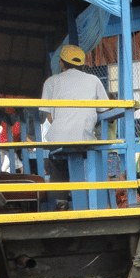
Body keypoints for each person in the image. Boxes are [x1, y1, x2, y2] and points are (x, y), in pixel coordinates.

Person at [40, 44, 108, 191]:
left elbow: (49, 117)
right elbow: (104, 111)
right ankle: (93, 195)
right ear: (82, 63)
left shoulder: (50, 82)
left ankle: (61, 200)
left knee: (57, 163)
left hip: (59, 142)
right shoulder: (94, 80)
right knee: (92, 156)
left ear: (61, 63)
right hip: (85, 139)